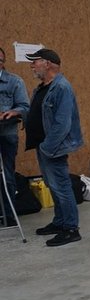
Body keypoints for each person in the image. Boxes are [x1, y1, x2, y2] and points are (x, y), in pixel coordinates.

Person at [25, 49, 84, 247]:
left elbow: (62, 124)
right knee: (54, 186)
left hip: (52, 147)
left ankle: (71, 229)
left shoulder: (61, 87)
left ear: (47, 63)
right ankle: (60, 222)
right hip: (43, 146)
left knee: (61, 187)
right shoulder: (42, 88)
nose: (31, 65)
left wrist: (47, 147)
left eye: (35, 62)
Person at [0, 47, 30, 224]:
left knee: (7, 175)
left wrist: (13, 112)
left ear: (3, 63)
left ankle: (9, 215)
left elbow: (25, 106)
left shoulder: (14, 81)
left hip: (6, 134)